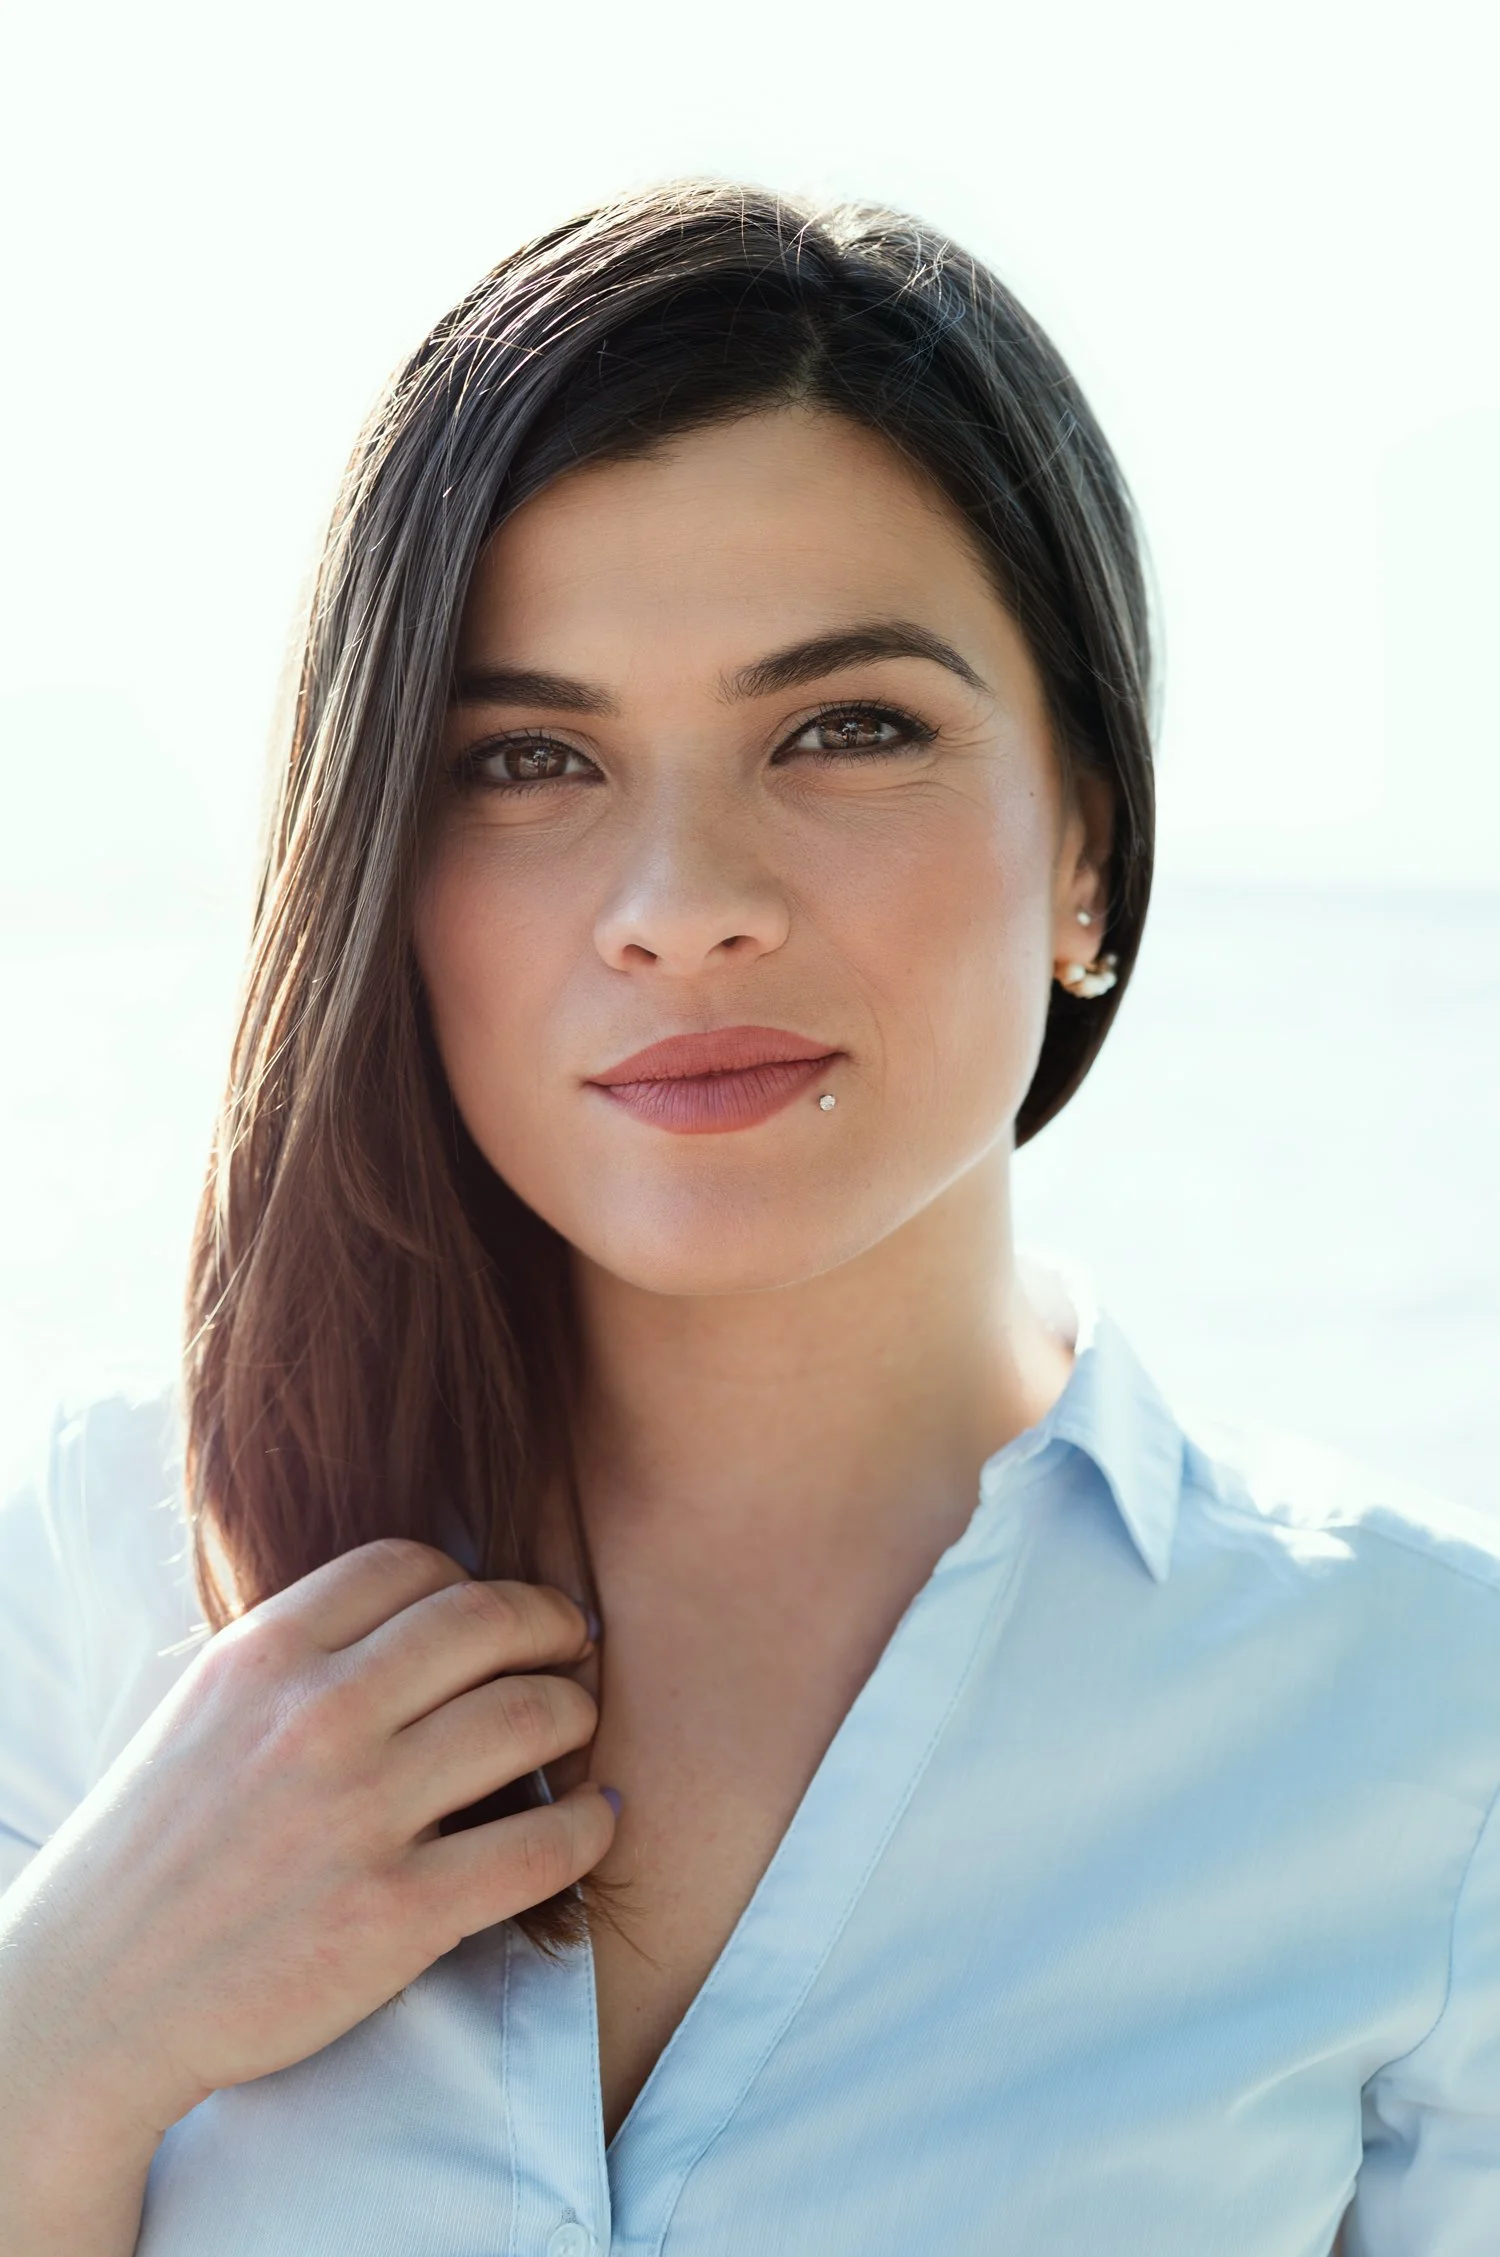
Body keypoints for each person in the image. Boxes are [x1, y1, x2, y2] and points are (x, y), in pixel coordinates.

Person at [0, 180, 1495, 2257]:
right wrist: (58, 2039)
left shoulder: (1426, 1720)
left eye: (848, 728)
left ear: (1089, 843)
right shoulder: (78, 1584)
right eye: (527, 757)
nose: (683, 899)